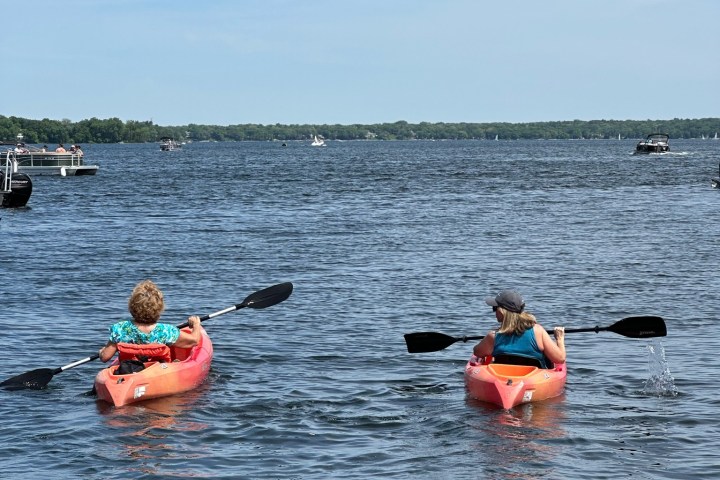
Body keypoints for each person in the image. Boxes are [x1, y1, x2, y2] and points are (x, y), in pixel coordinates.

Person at [99, 279, 201, 363]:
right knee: (176, 361)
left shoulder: (120, 329)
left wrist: (102, 351)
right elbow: (194, 341)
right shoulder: (166, 331)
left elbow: (105, 357)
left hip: (130, 371)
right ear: (159, 308)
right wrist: (196, 325)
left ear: (132, 306)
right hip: (158, 373)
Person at [473, 289, 565, 368]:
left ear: (502, 311)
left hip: (503, 377)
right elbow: (560, 359)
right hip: (532, 380)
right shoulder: (538, 331)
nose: (494, 312)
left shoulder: (492, 337)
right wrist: (559, 339)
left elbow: (477, 352)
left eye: (494, 308)